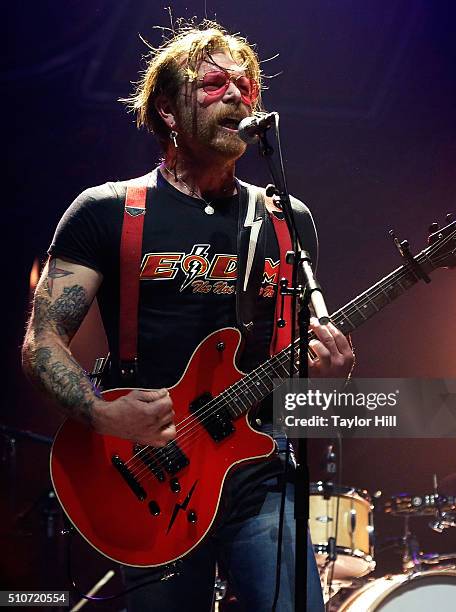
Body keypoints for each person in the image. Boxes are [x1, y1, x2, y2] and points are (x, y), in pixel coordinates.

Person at [22, 20, 354, 612]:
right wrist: (103, 415)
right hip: (151, 474)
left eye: (247, 86)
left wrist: (326, 380)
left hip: (259, 470)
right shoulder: (106, 211)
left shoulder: (284, 218)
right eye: (214, 83)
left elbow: (291, 369)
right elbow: (41, 343)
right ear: (169, 111)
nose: (236, 94)